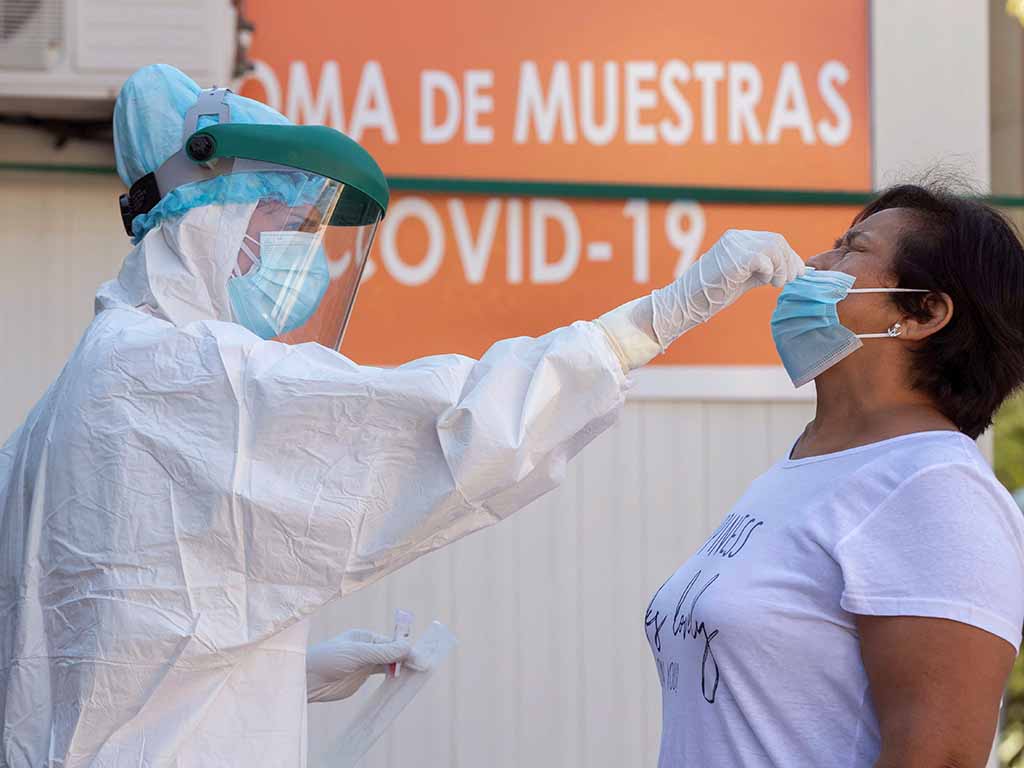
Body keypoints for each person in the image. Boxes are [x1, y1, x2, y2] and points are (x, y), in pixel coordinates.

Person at [0, 64, 803, 767]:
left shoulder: (94, 381)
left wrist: (290, 672)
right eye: (277, 222)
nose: (283, 252)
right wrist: (659, 318)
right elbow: (455, 428)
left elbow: (105, 637)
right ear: (211, 214)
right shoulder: (179, 376)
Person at [646, 183, 1024, 768]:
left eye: (850, 250)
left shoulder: (934, 488)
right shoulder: (801, 468)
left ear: (923, 312)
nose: (812, 265)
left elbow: (939, 756)